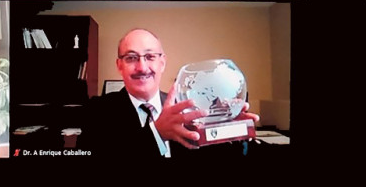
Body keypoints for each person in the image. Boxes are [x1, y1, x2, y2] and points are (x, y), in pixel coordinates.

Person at [80, 29, 258, 158]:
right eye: (131, 58)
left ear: (162, 63)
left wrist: (232, 134)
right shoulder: (96, 111)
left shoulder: (186, 108)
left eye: (150, 57)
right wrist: (156, 133)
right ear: (119, 66)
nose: (142, 67)